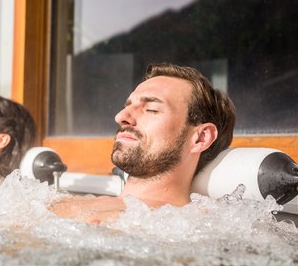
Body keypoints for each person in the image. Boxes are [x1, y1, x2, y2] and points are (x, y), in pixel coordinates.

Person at [50, 63, 236, 223]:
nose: (121, 117)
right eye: (127, 106)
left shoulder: (187, 231)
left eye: (152, 109)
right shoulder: (67, 202)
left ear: (201, 138)